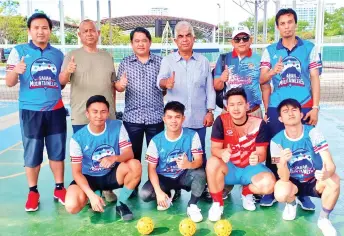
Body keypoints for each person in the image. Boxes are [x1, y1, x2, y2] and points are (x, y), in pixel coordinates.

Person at [259, 8, 322, 208]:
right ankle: (274, 189)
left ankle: (302, 192)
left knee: (305, 148)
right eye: (282, 23)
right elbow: (262, 80)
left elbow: (314, 79)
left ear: (295, 24)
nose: (286, 26)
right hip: (278, 106)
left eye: (290, 22)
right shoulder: (269, 50)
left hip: (303, 105)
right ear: (277, 27)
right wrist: (271, 72)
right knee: (274, 148)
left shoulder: (310, 48)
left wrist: (316, 107)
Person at [5, 13, 66, 211]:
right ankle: (33, 192)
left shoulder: (58, 54)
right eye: (36, 28)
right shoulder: (18, 51)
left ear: (50, 31)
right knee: (32, 154)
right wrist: (17, 70)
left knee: (57, 152)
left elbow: (61, 83)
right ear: (30, 31)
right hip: (31, 112)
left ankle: (59, 188)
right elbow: (9, 82)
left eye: (45, 28)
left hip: (55, 110)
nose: (41, 31)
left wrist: (68, 73)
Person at [59, 19, 117, 202]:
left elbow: (113, 85)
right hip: (81, 116)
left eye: (92, 30)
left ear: (98, 33)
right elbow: (61, 82)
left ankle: (107, 187)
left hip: (106, 116)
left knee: (107, 153)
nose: (89, 33)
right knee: (86, 158)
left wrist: (113, 110)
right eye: (85, 31)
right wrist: (68, 71)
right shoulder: (71, 55)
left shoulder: (107, 56)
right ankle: (88, 191)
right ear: (79, 35)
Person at [157, 22, 215, 202]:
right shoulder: (167, 61)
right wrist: (166, 83)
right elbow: (160, 82)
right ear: (175, 40)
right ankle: (175, 187)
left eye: (187, 35)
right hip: (176, 122)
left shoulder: (203, 62)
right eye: (180, 36)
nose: (184, 39)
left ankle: (202, 187)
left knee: (200, 156)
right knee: (174, 154)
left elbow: (209, 89)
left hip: (199, 118)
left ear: (193, 38)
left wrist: (210, 111)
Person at [64, 95, 142, 221]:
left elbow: (129, 153)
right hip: (89, 177)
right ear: (87, 114)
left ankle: (121, 204)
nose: (99, 116)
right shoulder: (77, 138)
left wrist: (114, 158)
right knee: (72, 206)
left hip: (111, 173)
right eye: (95, 112)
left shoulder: (117, 126)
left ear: (107, 113)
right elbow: (76, 173)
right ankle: (94, 195)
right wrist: (90, 195)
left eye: (103, 111)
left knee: (135, 165)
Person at [271, 98, 340, 236]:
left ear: (301, 114)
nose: (290, 113)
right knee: (280, 191)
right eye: (285, 111)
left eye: (294, 110)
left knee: (334, 180)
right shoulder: (275, 141)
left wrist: (326, 173)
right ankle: (291, 204)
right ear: (280, 118)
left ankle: (324, 219)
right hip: (293, 183)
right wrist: (283, 162)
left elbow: (330, 163)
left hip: (315, 180)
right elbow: (283, 177)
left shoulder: (313, 133)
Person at [206, 88, 275, 221]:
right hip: (230, 168)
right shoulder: (220, 121)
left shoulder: (259, 124)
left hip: (250, 168)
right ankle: (217, 203)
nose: (236, 108)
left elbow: (261, 153)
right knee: (212, 162)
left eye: (240, 104)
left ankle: (246, 192)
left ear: (247, 105)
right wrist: (222, 152)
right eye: (232, 105)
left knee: (269, 185)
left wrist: (257, 157)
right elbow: (214, 149)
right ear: (227, 107)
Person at [115, 27, 164, 196]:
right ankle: (132, 188)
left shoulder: (160, 62)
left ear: (150, 42)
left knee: (156, 157)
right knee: (132, 157)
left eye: (144, 40)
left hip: (156, 117)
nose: (141, 44)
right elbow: (119, 86)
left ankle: (156, 188)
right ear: (131, 44)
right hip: (132, 118)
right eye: (137, 41)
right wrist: (120, 86)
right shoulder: (125, 63)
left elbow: (164, 88)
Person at [139, 101, 206, 223]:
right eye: (169, 117)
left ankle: (192, 206)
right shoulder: (156, 141)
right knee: (145, 194)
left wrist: (188, 164)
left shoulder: (192, 135)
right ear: (164, 119)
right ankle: (167, 194)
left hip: (184, 176)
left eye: (177, 117)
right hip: (164, 178)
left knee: (200, 174)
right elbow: (151, 169)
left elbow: (199, 161)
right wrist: (158, 192)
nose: (173, 121)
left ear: (183, 118)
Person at [213, 26, 264, 118]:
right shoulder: (223, 59)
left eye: (245, 38)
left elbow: (265, 87)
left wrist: (267, 111)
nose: (241, 42)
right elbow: (217, 86)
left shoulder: (259, 59)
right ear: (232, 42)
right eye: (237, 39)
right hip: (229, 113)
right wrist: (221, 79)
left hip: (253, 112)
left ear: (250, 40)